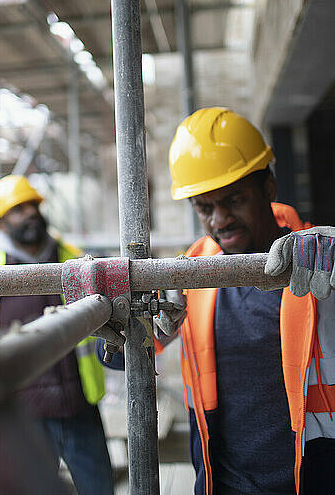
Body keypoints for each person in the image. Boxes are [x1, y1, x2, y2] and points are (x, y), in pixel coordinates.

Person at [99, 107, 334, 495]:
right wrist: (114, 323)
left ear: (269, 187)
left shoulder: (319, 264)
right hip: (221, 484)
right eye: (205, 207)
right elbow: (127, 352)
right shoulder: (193, 271)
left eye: (234, 199)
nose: (220, 219)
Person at [0, 175, 114, 495]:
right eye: (18, 209)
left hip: (78, 409)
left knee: (99, 490)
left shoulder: (77, 262)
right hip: (22, 419)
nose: (30, 213)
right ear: (0, 223)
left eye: (32, 205)